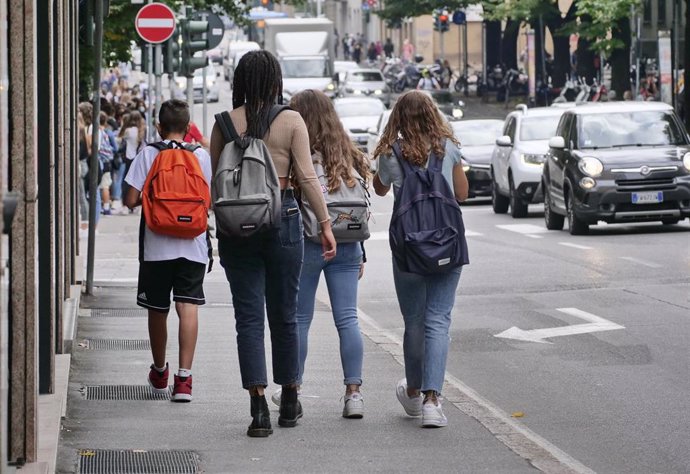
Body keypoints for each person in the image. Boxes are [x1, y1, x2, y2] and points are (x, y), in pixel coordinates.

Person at [209, 50, 337, 437]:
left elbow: (216, 182)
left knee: (247, 318)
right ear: (275, 80)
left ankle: (258, 408)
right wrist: (326, 224)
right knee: (285, 313)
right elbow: (309, 177)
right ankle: (291, 399)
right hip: (282, 220)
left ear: (240, 82)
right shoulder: (291, 120)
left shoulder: (223, 124)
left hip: (237, 228)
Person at [372, 90, 469, 428]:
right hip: (446, 244)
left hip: (409, 249)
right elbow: (461, 193)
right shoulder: (447, 148)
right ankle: (432, 400)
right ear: (432, 114)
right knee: (439, 320)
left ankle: (413, 391)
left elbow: (380, 189)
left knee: (414, 321)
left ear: (397, 117)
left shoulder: (391, 153)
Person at [284, 89, 371, 418]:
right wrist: (360, 248)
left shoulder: (298, 152)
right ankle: (354, 394)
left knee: (300, 319)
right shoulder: (346, 152)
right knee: (347, 318)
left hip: (307, 242)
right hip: (348, 242)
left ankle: (294, 389)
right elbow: (356, 206)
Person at [123, 99, 212, 403]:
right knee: (188, 306)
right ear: (189, 129)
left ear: (158, 127)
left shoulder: (148, 154)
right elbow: (208, 198)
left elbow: (130, 199)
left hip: (157, 246)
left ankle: (160, 371)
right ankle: (184, 381)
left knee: (157, 309)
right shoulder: (201, 156)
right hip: (194, 245)